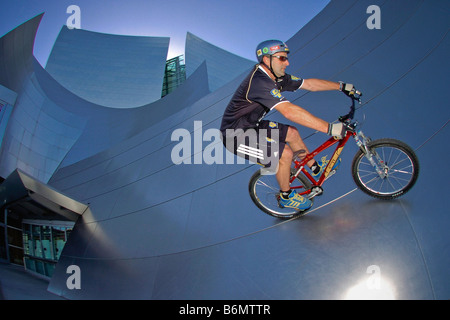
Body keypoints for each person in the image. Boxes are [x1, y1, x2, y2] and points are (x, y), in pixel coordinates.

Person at [220, 39, 360, 211]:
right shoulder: (259, 82)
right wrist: (329, 128)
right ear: (267, 60)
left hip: (253, 124)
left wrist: (341, 86)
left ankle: (315, 169)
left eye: (286, 58)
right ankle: (286, 196)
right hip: (235, 136)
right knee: (283, 154)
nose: (287, 62)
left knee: (292, 133)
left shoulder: (278, 77)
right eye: (282, 58)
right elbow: (289, 111)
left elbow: (309, 84)